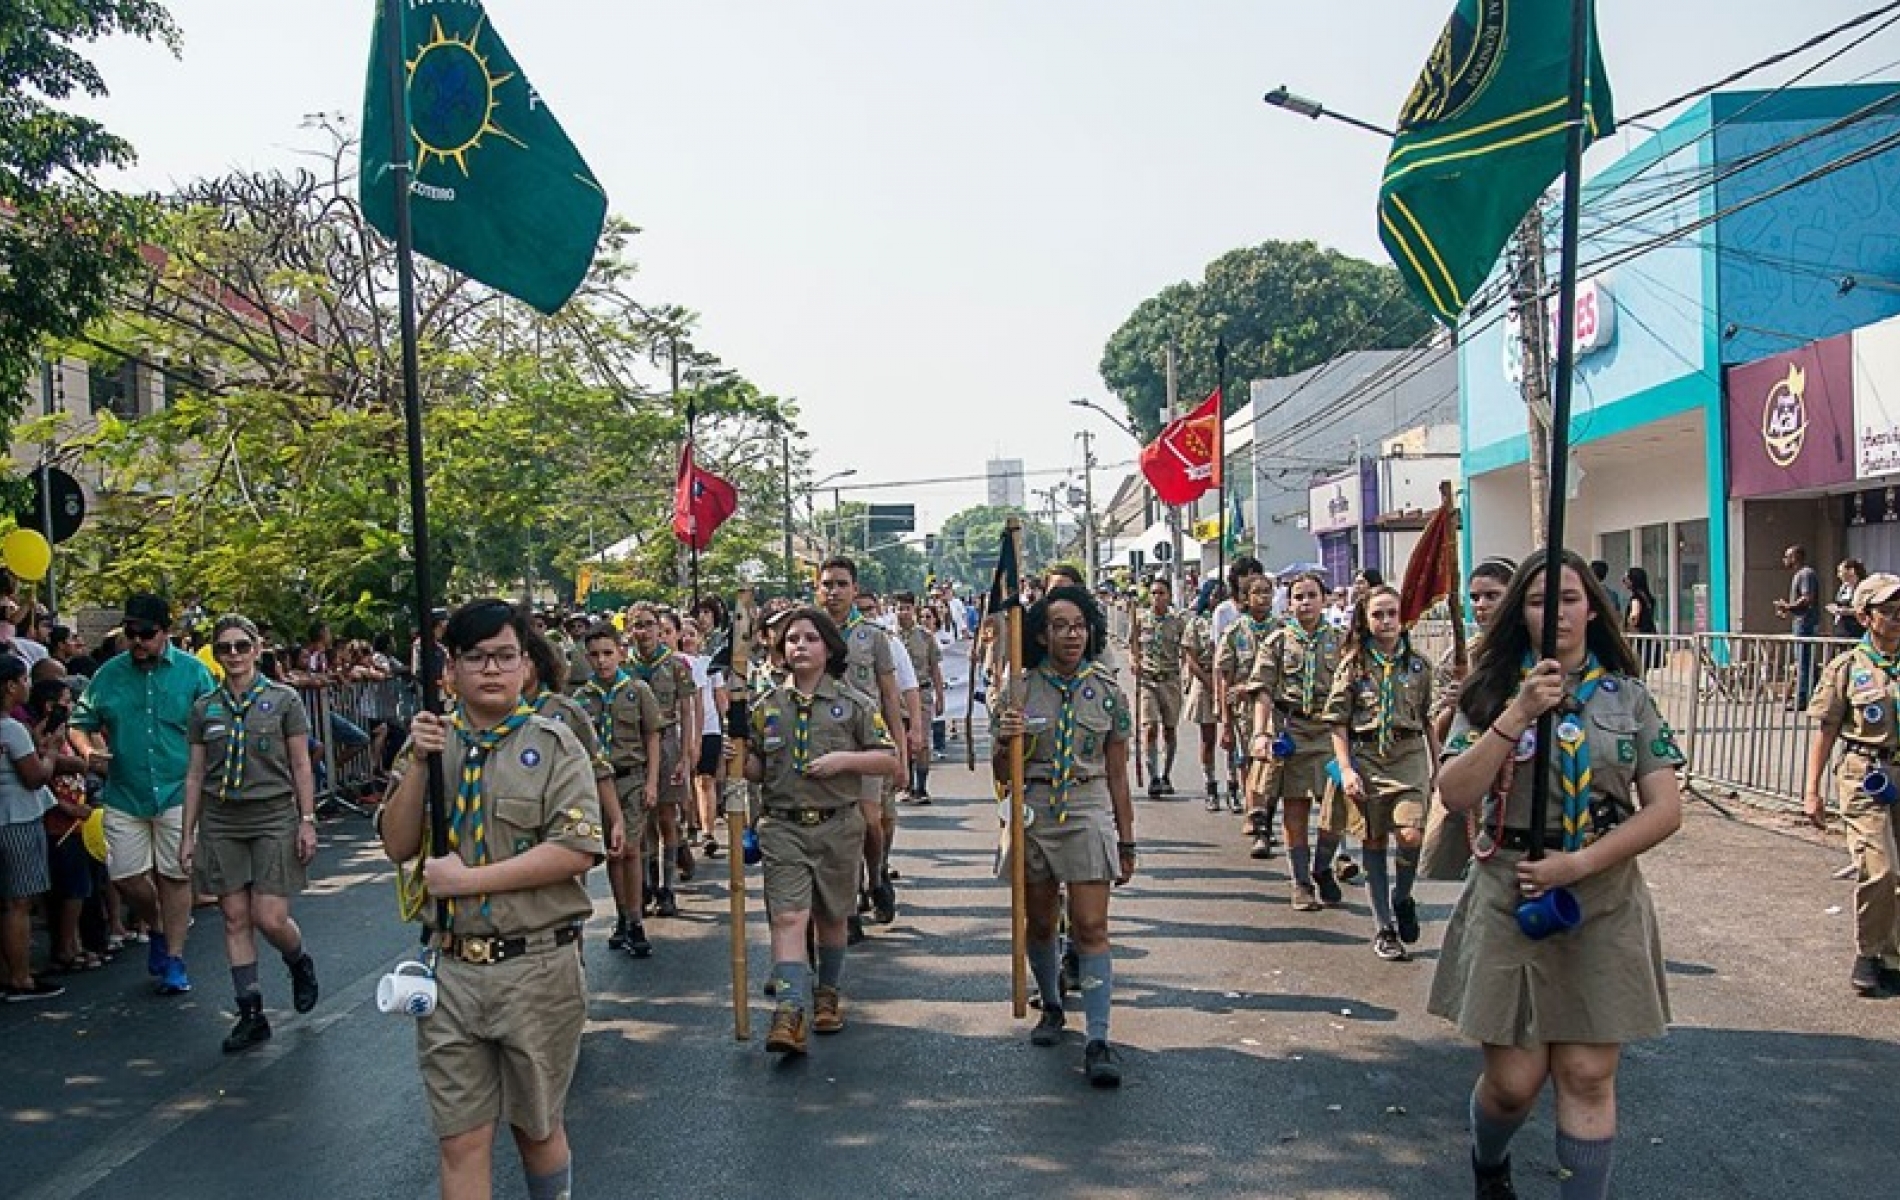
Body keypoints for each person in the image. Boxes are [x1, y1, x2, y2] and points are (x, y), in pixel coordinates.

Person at [1431, 548, 1685, 1200]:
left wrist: (1580, 863)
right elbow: (1455, 791)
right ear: (1521, 613)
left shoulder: (1626, 697)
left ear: (1593, 610)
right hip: (1510, 888)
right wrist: (1514, 715)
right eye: (1540, 601)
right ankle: (1489, 1162)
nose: (1556, 614)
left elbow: (1664, 810)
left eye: (1569, 599)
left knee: (1587, 1074)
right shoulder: (1489, 691)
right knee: (1514, 1084)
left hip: (1599, 891)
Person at [378, 599, 603, 1200]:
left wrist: (468, 881)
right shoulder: (431, 743)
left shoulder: (555, 745)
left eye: (505, 656)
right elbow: (398, 845)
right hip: (452, 972)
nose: (491, 670)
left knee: (537, 1128)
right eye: (475, 658)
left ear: (527, 667)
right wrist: (421, 765)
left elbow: (576, 851)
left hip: (537, 967)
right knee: (460, 1139)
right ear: (449, 671)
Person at [991, 586, 1137, 1087]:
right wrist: (1006, 738)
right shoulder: (1019, 691)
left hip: (1087, 804)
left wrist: (1127, 837)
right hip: (1034, 808)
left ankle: (1099, 1037)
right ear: (1041, 633)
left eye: (1079, 625)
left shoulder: (1109, 693)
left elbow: (1118, 774)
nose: (1071, 635)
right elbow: (999, 771)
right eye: (1060, 626)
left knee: (1091, 926)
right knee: (1038, 920)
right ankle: (1051, 1003)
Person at [742, 606, 899, 1056]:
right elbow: (756, 767)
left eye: (810, 639)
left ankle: (826, 992)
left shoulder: (853, 705)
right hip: (783, 828)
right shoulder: (765, 708)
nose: (800, 646)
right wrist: (731, 756)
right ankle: (789, 1012)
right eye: (792, 640)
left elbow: (888, 758)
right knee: (789, 917)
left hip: (838, 826)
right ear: (780, 650)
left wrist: (844, 762)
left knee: (832, 918)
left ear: (828, 648)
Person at [179, 615, 322, 1052]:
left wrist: (307, 819)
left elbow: (301, 764)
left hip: (274, 813)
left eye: (243, 646)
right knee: (234, 917)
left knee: (269, 917)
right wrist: (188, 833)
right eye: (225, 648)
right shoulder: (206, 707)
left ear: (258, 649)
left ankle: (298, 961)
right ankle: (251, 1012)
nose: (235, 655)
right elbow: (195, 773)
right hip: (223, 819)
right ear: (216, 655)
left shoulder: (283, 701)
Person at [68, 593, 217, 996]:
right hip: (124, 792)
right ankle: (155, 926)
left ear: (165, 632)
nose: (137, 641)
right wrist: (87, 750)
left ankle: (174, 957)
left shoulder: (193, 673)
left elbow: (215, 724)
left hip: (177, 790)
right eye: (131, 633)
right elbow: (79, 721)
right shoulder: (108, 675)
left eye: (146, 633)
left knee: (175, 874)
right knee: (127, 877)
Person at [1321, 584, 1437, 959]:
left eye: (1392, 613)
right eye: (1378, 615)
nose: (1386, 621)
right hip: (1367, 756)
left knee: (1409, 833)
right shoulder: (1353, 666)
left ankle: (1403, 896)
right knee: (1373, 841)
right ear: (1365, 621)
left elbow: (1430, 719)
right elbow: (1337, 723)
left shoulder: (1419, 665)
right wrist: (1346, 768)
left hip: (1408, 755)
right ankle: (1383, 927)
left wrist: (1441, 767)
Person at [1803, 571, 1900, 997]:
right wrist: (1812, 791)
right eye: (1888, 610)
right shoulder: (1847, 669)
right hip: (1866, 774)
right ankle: (1869, 951)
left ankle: (1893, 956)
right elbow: (1825, 730)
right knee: (1880, 868)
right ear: (1865, 616)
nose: (1898, 618)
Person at [816, 557, 912, 932]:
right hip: (827, 742)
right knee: (841, 827)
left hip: (868, 742)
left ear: (855, 589)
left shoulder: (873, 636)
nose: (834, 591)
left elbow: (890, 696)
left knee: (870, 820)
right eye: (827, 584)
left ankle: (876, 875)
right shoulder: (811, 634)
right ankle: (849, 902)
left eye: (841, 584)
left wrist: (900, 752)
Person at [1248, 572, 1345, 902]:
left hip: (1331, 734)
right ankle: (1301, 881)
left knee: (1336, 808)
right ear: (1289, 604)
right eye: (1299, 597)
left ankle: (1322, 865)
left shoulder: (1342, 641)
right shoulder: (1277, 641)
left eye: (1312, 595)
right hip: (1294, 731)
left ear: (1325, 599)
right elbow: (1262, 690)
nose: (1305, 602)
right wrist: (1261, 733)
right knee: (1296, 808)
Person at [578, 622, 661, 955]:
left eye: (608, 653)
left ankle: (636, 919)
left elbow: (652, 735)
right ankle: (623, 916)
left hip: (632, 778)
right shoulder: (582, 697)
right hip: (599, 782)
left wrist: (653, 780)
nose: (602, 661)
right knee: (615, 851)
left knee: (631, 848)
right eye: (595, 655)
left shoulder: (637, 689)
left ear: (621, 653)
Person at [0, 654, 68, 1000]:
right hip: (17, 817)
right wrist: (52, 752)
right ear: (10, 686)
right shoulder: (10, 727)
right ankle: (21, 976)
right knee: (19, 902)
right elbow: (35, 776)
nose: (28, 686)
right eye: (24, 680)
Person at [626, 604, 697, 917]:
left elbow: (687, 710)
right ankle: (644, 885)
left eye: (649, 625)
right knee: (641, 822)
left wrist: (686, 755)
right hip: (634, 744)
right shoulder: (625, 667)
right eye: (637, 625)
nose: (644, 632)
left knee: (667, 816)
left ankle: (667, 888)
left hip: (667, 742)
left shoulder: (675, 664)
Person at [1133, 577, 1186, 797]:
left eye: (1161, 593)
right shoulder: (1141, 618)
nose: (1157, 597)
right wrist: (1133, 660)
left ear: (1169, 596)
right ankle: (1153, 775)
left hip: (1170, 680)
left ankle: (1166, 774)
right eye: (1154, 593)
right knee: (1150, 728)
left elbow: (1185, 650)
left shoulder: (1177, 621)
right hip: (1148, 680)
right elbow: (1133, 644)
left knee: (1170, 730)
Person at [893, 592, 944, 802]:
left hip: (921, 694)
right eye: (899, 608)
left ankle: (921, 787)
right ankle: (907, 785)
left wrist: (940, 696)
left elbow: (934, 668)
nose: (903, 612)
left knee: (921, 741)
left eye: (907, 608)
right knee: (900, 742)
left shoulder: (925, 637)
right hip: (895, 696)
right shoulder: (887, 636)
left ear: (914, 610)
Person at [1182, 587, 1222, 812]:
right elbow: (1191, 657)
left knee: (1233, 739)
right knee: (1208, 739)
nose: (1219, 598)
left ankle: (1235, 786)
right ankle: (1211, 785)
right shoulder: (1197, 623)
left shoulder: (1232, 619)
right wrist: (1209, 683)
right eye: (1215, 593)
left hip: (1228, 680)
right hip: (1205, 679)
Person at [1776, 545, 1822, 710]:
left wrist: (1789, 606)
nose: (1784, 560)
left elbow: (1807, 598)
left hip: (1805, 623)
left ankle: (1802, 698)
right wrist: (1789, 608)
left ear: (1795, 557)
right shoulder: (1800, 575)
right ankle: (1816, 695)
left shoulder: (1806, 574)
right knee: (1807, 661)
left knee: (1804, 661)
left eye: (1787, 556)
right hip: (1801, 621)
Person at [1828, 558, 1868, 641]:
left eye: (1840, 571)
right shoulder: (1843, 587)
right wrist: (1835, 608)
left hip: (1856, 630)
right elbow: (1840, 603)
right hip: (1841, 630)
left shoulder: (1863, 587)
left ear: (1851, 571)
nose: (1838, 575)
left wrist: (1846, 611)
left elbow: (1865, 609)